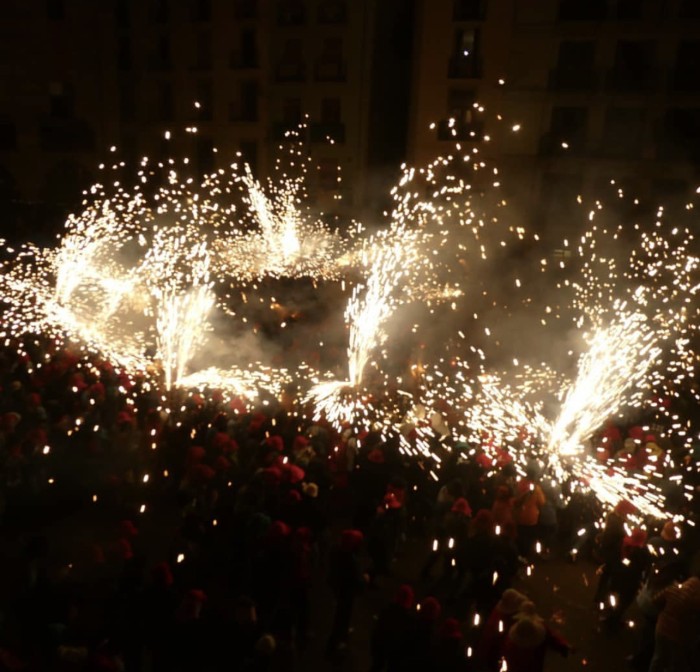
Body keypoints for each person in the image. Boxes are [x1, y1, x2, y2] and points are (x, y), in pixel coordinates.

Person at [648, 574, 700, 672]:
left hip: (661, 627)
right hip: (677, 634)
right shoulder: (695, 602)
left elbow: (654, 601)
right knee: (674, 663)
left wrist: (664, 611)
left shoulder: (672, 589)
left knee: (657, 657)